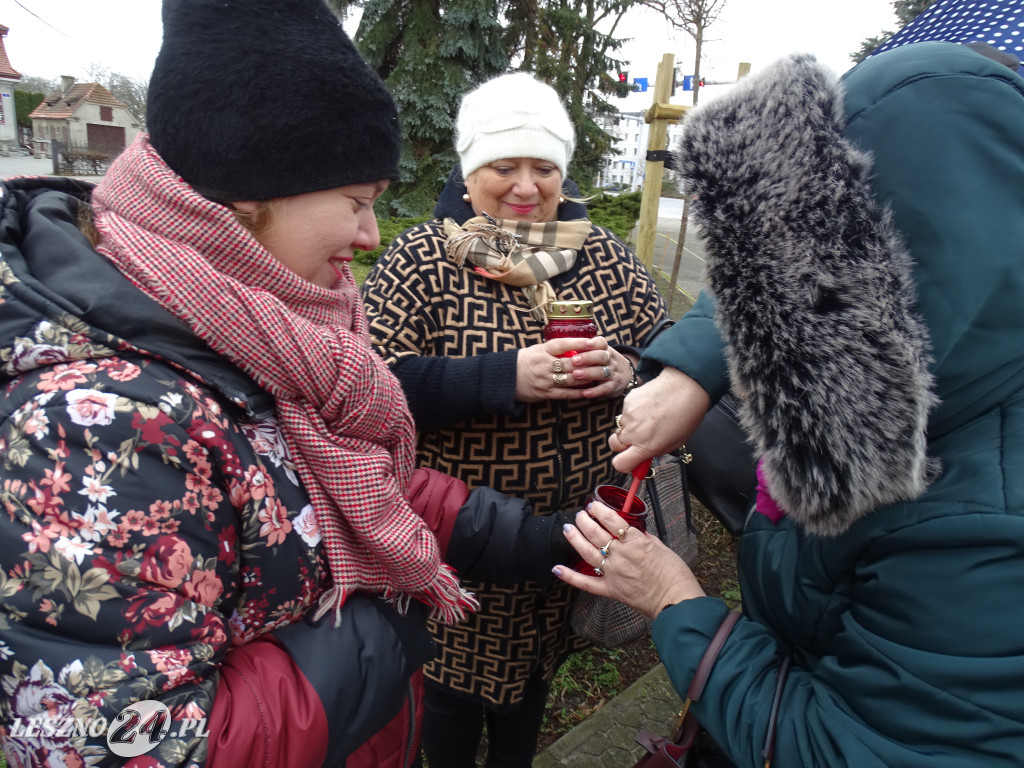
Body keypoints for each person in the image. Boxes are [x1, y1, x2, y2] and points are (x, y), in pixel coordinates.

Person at [0, 3, 570, 767]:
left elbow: (324, 484)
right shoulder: (101, 425)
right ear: (248, 195)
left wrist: (512, 535)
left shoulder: (247, 325)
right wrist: (384, 623)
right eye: (357, 202)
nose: (371, 235)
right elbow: (118, 746)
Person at [555, 41, 1024, 766]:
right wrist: (687, 371)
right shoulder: (932, 345)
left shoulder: (984, 531)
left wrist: (675, 603)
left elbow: (848, 748)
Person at [361, 72, 670, 767]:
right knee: (443, 703)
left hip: (567, 547)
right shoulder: (422, 262)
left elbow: (670, 356)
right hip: (455, 549)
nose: (526, 185)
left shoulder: (606, 262)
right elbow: (367, 388)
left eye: (545, 167)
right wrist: (504, 376)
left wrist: (630, 371)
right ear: (470, 173)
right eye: (505, 165)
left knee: (526, 700)